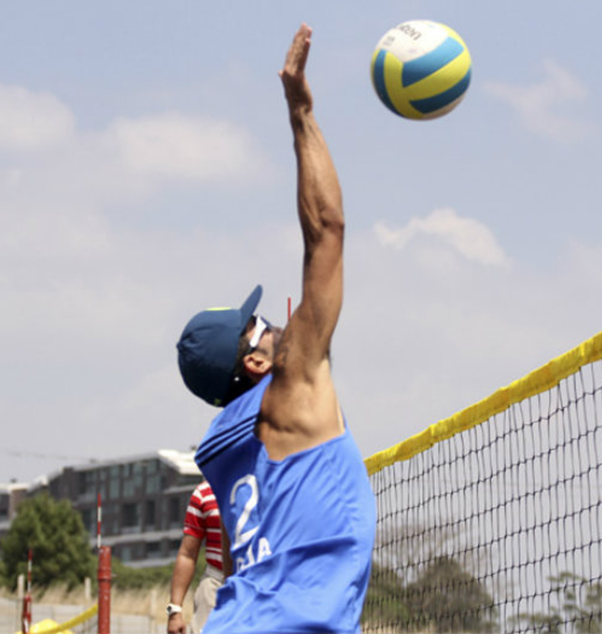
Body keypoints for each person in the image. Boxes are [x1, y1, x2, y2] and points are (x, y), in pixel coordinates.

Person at [175, 23, 376, 634]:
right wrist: (301, 112)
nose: (272, 326)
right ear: (257, 364)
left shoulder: (221, 447)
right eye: (259, 326)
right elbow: (327, 231)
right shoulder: (293, 385)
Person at [166, 481, 224, 634]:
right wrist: (174, 610)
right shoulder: (203, 493)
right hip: (215, 584)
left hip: (258, 584)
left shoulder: (269, 483)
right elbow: (187, 554)